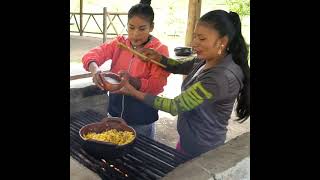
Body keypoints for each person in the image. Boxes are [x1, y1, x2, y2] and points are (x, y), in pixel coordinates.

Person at [116, 10, 250, 158]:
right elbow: (179, 66)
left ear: (222, 42)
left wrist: (132, 92)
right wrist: (159, 58)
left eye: (202, 39)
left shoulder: (219, 78)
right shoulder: (207, 59)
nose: (194, 43)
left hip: (202, 150)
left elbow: (175, 106)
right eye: (194, 36)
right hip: (189, 140)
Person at [82, 0, 170, 139]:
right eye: (131, 27)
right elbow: (92, 55)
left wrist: (132, 82)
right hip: (115, 112)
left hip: (142, 116)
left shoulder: (159, 50)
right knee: (115, 147)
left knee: (141, 155)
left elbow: (157, 86)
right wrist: (95, 71)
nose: (135, 34)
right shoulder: (119, 43)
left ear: (151, 27)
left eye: (142, 28)